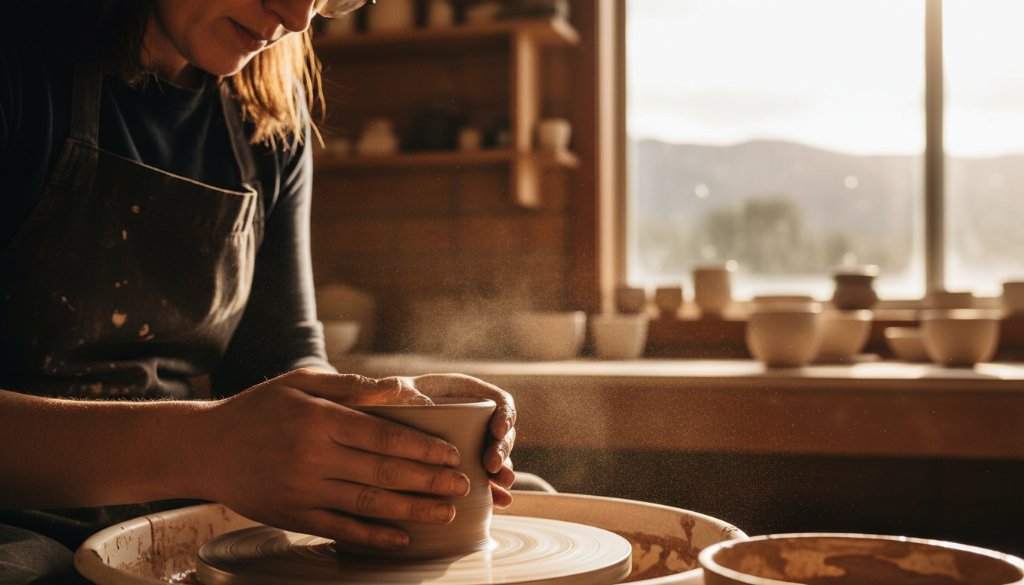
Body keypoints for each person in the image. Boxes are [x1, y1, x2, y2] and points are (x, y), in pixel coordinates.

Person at [0, 0, 517, 582]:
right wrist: (201, 448)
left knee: (517, 508)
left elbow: (273, 363)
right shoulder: (20, 52)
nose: (297, 17)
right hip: (19, 521)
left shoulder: (267, 109)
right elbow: (220, 441)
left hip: (178, 504)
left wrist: (384, 421)